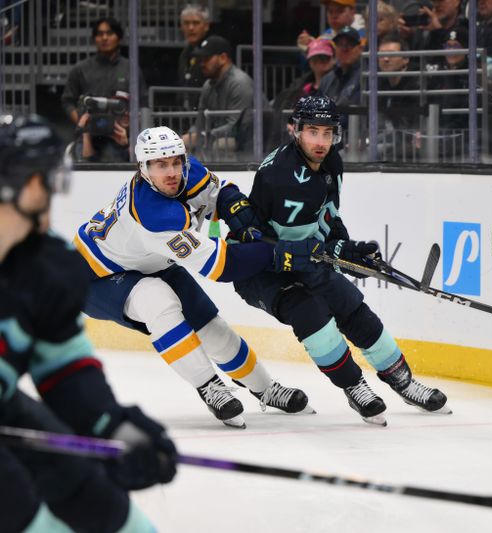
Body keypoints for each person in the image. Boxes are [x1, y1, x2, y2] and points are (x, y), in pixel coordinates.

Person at [0, 114, 176, 532]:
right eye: (50, 181)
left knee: (96, 500)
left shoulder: (46, 266)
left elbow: (65, 370)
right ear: (27, 185)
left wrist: (111, 425)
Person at [74, 126, 317, 428]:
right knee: (158, 301)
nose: (172, 171)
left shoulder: (186, 171)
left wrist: (236, 208)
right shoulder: (154, 216)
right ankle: (209, 386)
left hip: (149, 261)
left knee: (212, 327)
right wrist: (277, 254)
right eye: (161, 165)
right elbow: (223, 266)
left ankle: (266, 389)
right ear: (144, 168)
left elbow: (220, 190)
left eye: (176, 161)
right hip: (96, 277)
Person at [232, 96, 451, 426]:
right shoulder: (282, 176)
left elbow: (327, 220)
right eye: (313, 132)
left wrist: (349, 248)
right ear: (296, 131)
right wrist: (336, 254)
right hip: (258, 267)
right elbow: (277, 247)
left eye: (327, 133)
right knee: (311, 314)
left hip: (300, 256)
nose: (321, 142)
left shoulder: (331, 162)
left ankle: (404, 383)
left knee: (352, 308)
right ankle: (355, 386)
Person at [61, 17, 147, 162]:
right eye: (100, 34)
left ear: (118, 37)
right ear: (94, 38)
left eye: (109, 33)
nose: (104, 38)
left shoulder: (131, 68)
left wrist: (130, 121)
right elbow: (67, 101)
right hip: (87, 137)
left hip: (120, 137)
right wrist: (82, 123)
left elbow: (143, 104)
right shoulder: (81, 69)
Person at [183, 35, 264, 158]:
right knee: (182, 143)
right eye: (201, 59)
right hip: (219, 135)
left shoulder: (239, 82)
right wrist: (187, 137)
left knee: (220, 145)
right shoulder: (208, 85)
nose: (202, 63)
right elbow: (200, 123)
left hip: (249, 140)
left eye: (207, 58)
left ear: (223, 58)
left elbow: (236, 127)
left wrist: (205, 135)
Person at [318, 26, 365, 110]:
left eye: (350, 44)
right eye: (340, 44)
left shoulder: (366, 76)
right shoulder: (327, 80)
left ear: (360, 49)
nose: (345, 49)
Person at [296, 0, 366, 54]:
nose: (334, 16)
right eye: (330, 11)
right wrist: (310, 46)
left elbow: (348, 54)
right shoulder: (329, 33)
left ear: (352, 12)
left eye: (340, 11)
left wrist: (319, 48)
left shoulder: (365, 30)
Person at [177, 3, 211, 109]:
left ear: (206, 26)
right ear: (181, 26)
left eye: (196, 23)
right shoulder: (185, 53)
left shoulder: (212, 51)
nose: (191, 28)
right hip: (186, 112)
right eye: (186, 23)